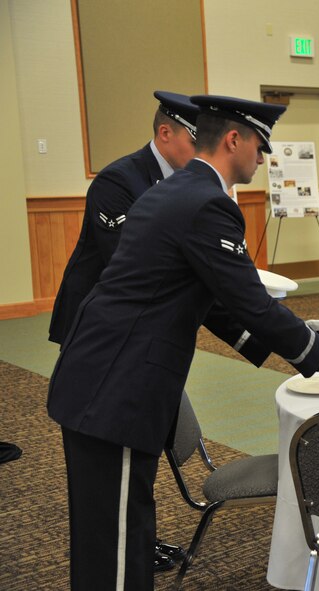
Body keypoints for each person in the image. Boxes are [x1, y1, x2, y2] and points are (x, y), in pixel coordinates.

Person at [46, 94, 319, 591]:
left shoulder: (177, 189)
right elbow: (249, 301)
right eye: (260, 145)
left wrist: (298, 342)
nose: (264, 158)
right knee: (117, 548)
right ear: (234, 139)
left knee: (113, 535)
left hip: (103, 379)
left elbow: (213, 301)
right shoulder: (206, 202)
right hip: (115, 391)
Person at [47, 90, 200, 572]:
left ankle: (137, 538)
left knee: (136, 447)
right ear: (165, 134)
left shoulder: (185, 183)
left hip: (142, 337)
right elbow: (132, 264)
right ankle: (122, 543)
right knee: (108, 446)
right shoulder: (119, 181)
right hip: (99, 335)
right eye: (197, 139)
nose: (204, 150)